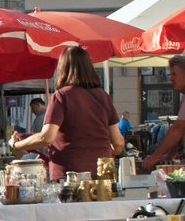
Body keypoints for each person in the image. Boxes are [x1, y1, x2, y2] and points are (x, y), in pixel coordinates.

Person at [11, 46, 123, 179]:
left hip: (69, 174)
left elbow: (46, 137)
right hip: (101, 173)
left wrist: (16, 145)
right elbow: (118, 143)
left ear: (62, 68)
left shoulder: (61, 96)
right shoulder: (103, 97)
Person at [141, 53, 185, 172]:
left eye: (174, 74)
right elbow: (182, 131)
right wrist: (169, 156)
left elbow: (179, 127)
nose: (171, 78)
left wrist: (155, 156)